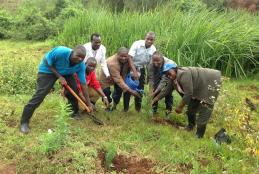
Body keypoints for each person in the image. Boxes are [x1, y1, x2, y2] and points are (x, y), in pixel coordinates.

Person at [20, 45, 93, 134]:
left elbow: (83, 84)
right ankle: (24, 121)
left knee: (74, 90)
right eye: (78, 56)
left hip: (66, 72)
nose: (80, 59)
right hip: (47, 70)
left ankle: (74, 112)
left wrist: (88, 103)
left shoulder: (80, 65)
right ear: (72, 52)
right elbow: (46, 61)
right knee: (41, 94)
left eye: (82, 58)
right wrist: (59, 77)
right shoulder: (60, 51)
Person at [153, 64, 221, 138]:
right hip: (198, 87)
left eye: (169, 73)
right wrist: (154, 100)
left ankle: (199, 135)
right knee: (191, 110)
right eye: (166, 75)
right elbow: (166, 91)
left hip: (210, 80)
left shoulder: (183, 74)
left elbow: (188, 93)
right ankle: (190, 127)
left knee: (205, 108)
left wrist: (180, 107)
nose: (168, 76)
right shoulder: (173, 78)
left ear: (174, 69)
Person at [128, 31, 156, 112]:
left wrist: (148, 76)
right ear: (145, 38)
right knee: (128, 86)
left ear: (154, 40)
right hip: (131, 66)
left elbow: (150, 64)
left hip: (142, 68)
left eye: (152, 40)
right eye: (148, 39)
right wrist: (134, 71)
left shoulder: (153, 49)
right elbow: (129, 58)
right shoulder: (137, 44)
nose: (149, 41)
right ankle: (125, 108)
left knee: (140, 89)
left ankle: (138, 109)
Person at [148, 51, 176, 116]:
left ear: (162, 59)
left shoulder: (169, 64)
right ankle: (153, 110)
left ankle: (168, 112)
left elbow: (164, 80)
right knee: (154, 89)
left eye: (158, 61)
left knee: (168, 93)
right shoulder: (151, 64)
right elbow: (151, 79)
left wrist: (155, 92)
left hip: (169, 75)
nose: (155, 63)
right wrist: (151, 91)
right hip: (158, 72)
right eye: (154, 61)